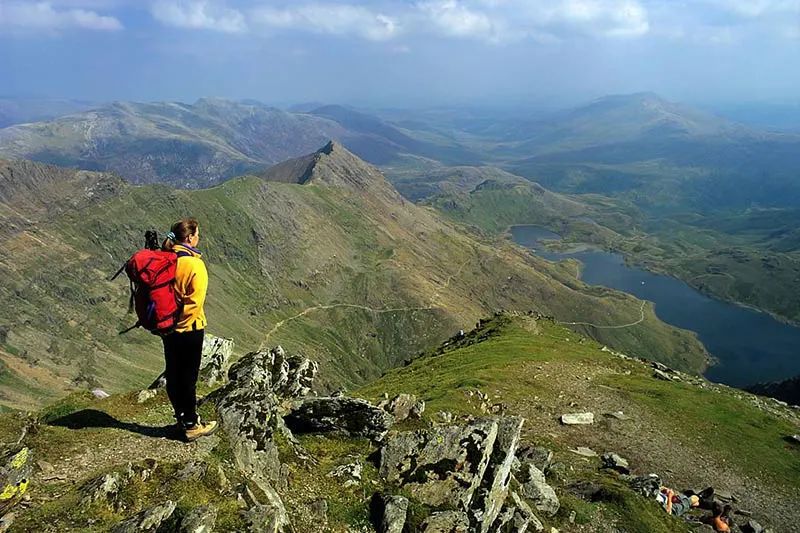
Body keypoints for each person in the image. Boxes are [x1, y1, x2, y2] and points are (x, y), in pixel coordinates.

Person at [161, 217, 218, 442]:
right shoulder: (194, 264)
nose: (199, 238)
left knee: (174, 374)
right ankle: (192, 424)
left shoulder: (165, 258)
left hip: (167, 328)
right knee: (188, 377)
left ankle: (181, 418)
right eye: (197, 234)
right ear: (191, 237)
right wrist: (182, 328)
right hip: (189, 329)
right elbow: (194, 303)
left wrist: (171, 329)